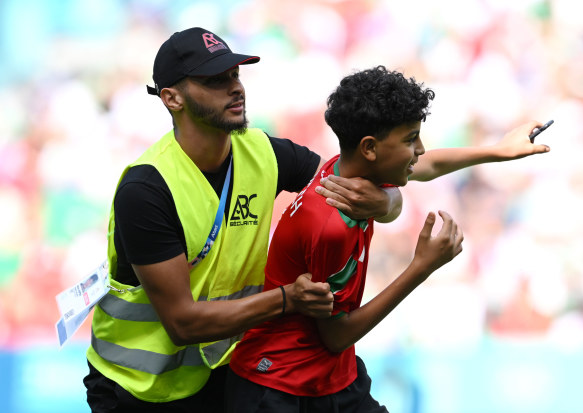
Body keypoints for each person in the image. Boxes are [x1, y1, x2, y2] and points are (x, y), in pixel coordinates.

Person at [83, 28, 402, 412]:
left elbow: (356, 180)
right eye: (215, 80)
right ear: (172, 98)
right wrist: (288, 299)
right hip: (137, 391)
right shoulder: (146, 189)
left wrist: (386, 201)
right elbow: (183, 324)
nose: (235, 88)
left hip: (225, 371)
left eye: (235, 75)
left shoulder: (261, 150)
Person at [227, 66, 550, 412]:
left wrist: (496, 151)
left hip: (331, 377)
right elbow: (337, 335)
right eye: (411, 139)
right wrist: (420, 268)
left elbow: (428, 167)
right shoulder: (329, 225)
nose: (421, 149)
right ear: (369, 148)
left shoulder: (346, 170)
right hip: (279, 385)